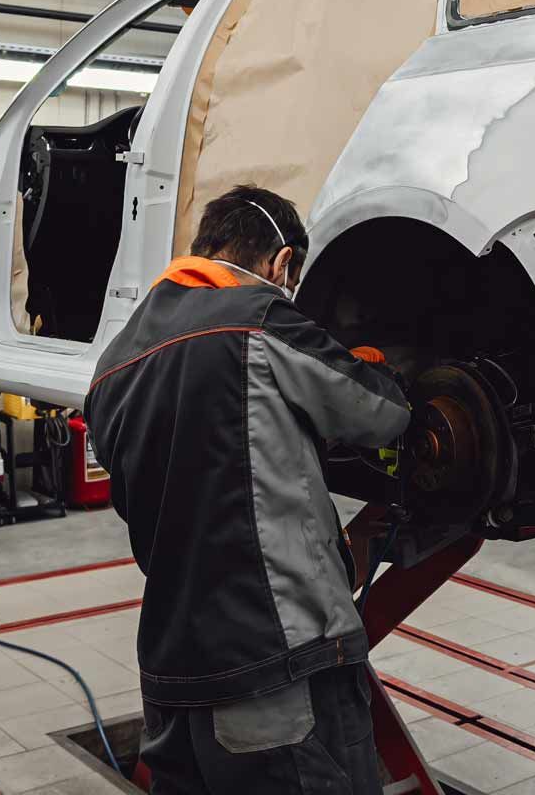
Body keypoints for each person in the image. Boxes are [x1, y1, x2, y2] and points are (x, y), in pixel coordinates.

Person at [83, 186, 410, 794]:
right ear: (280, 264)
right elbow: (380, 413)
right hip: (276, 665)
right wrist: (378, 370)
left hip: (171, 675)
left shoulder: (113, 365)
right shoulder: (261, 321)